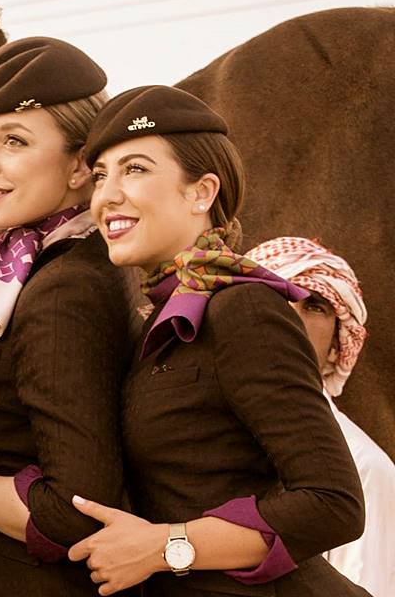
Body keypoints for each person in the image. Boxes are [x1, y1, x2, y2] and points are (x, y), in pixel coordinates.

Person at [69, 85, 368, 596]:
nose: (107, 196)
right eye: (100, 175)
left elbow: (332, 503)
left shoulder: (242, 308)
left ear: (201, 192)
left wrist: (165, 546)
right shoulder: (159, 318)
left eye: (134, 169)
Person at [0, 37, 140, 596]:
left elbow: (76, 508)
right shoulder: (49, 262)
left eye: (14, 140)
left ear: (79, 166)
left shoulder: (64, 288)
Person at [249, 236, 395, 596]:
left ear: (336, 348)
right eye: (275, 299)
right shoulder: (199, 435)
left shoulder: (363, 468)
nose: (290, 317)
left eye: (314, 306)